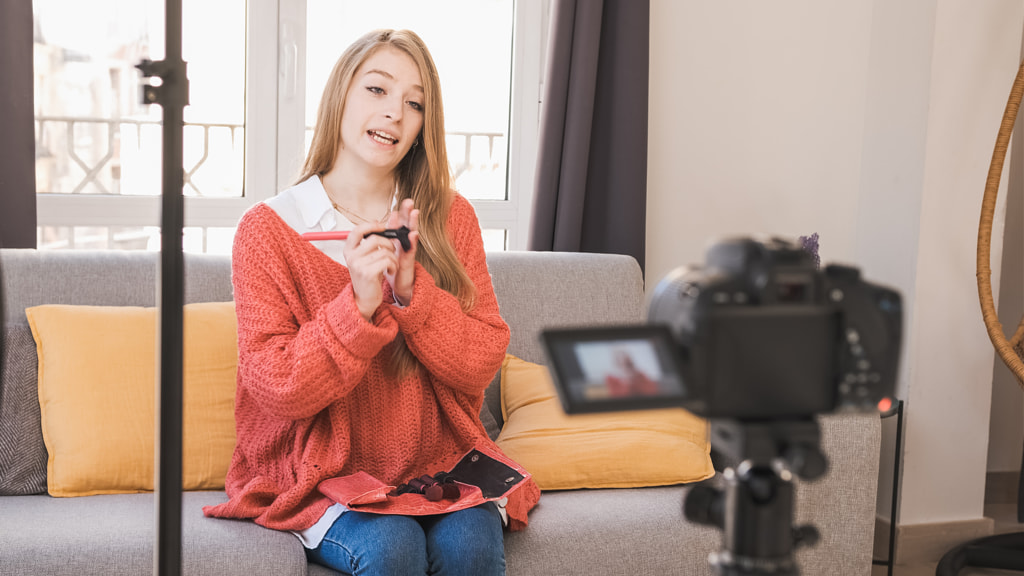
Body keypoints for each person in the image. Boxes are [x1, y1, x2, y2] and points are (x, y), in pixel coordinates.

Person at [203, 29, 540, 575]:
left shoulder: (450, 217)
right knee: (392, 547)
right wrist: (355, 308)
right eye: (378, 90)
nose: (395, 115)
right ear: (341, 94)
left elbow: (482, 359)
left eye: (414, 103)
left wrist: (412, 296)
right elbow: (277, 386)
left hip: (439, 460)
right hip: (318, 471)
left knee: (470, 548)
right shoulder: (267, 230)